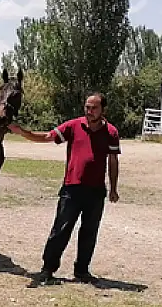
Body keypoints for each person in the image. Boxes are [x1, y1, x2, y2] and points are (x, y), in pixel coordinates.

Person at [9, 92, 120, 287]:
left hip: (96, 191)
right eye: (87, 107)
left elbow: (113, 160)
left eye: (94, 108)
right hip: (72, 188)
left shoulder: (111, 132)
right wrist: (23, 132)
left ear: (103, 109)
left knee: (89, 231)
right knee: (60, 229)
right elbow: (46, 137)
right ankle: (47, 270)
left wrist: (113, 188)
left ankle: (82, 270)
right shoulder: (73, 126)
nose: (89, 111)